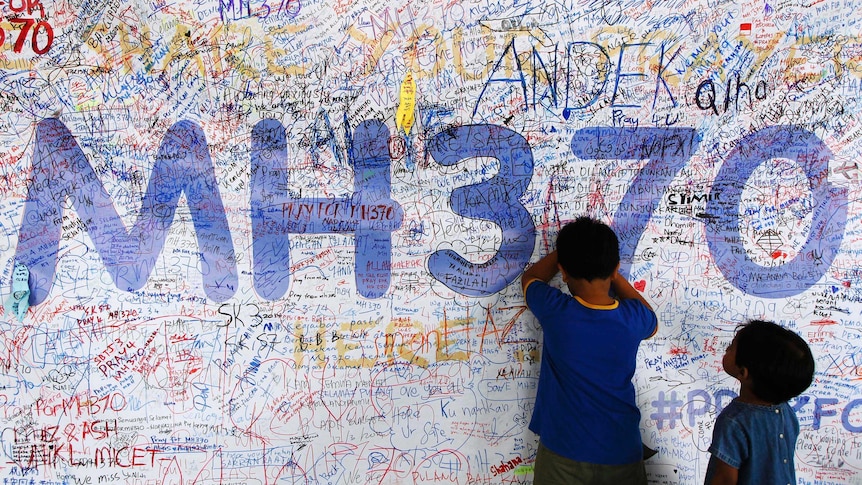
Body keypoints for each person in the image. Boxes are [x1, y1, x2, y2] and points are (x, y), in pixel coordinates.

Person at [522, 216, 658, 484]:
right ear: (616, 267)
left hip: (564, 451)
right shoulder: (634, 319)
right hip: (622, 449)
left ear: (563, 270)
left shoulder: (556, 311)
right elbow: (650, 317)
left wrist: (569, 252)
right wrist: (611, 272)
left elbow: (532, 277)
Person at [704, 319, 815, 485]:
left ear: (743, 372)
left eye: (732, 346)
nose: (726, 348)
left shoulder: (734, 421)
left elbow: (724, 479)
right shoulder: (786, 412)